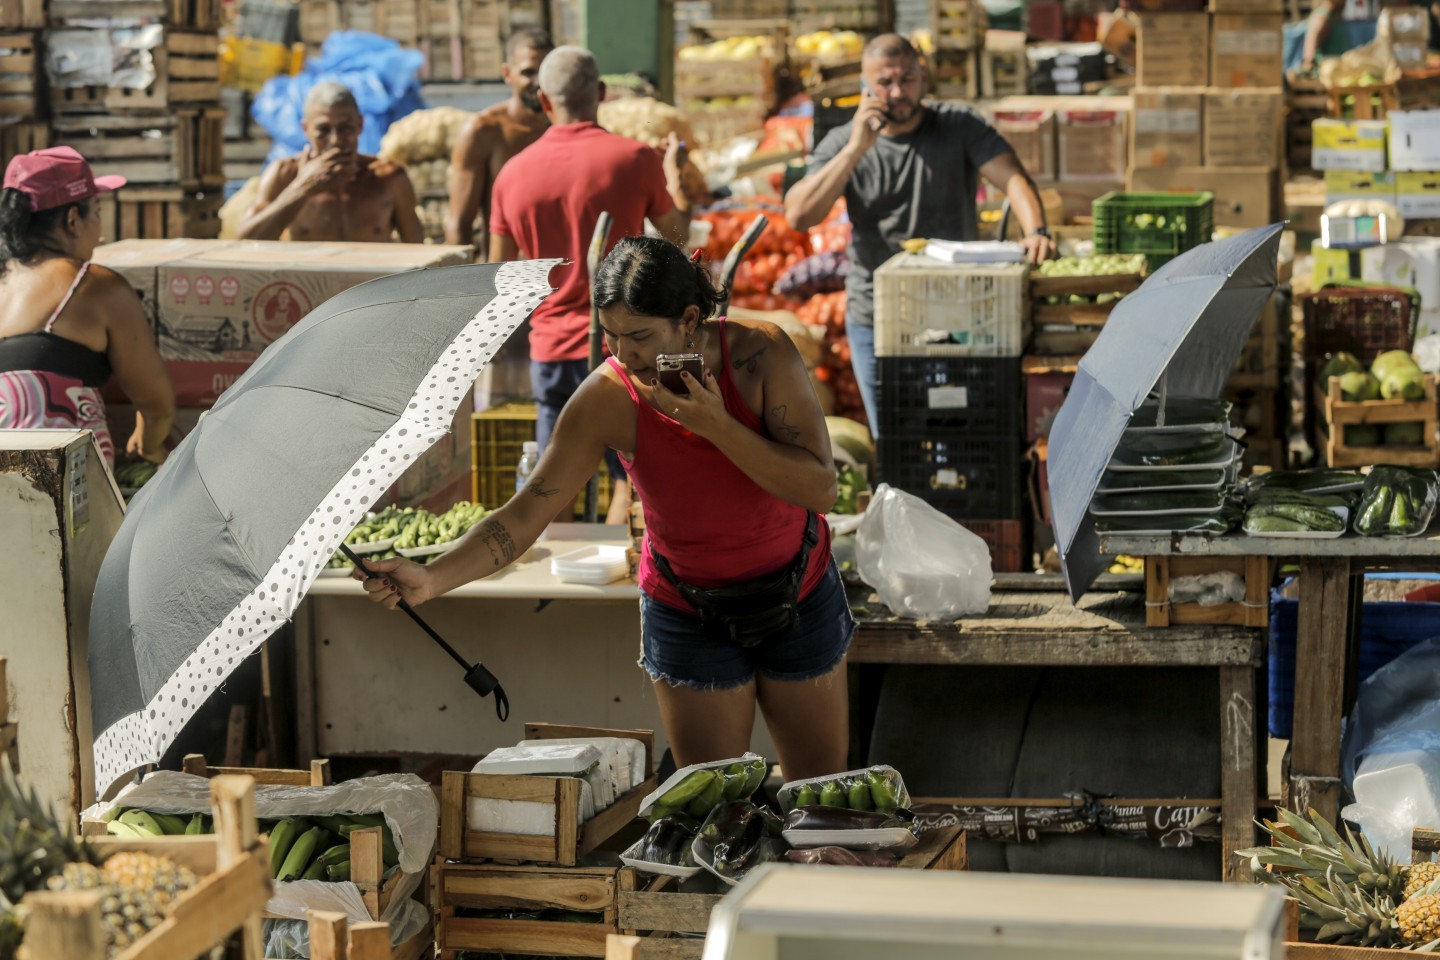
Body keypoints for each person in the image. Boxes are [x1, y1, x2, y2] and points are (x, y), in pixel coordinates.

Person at [358, 237, 852, 780]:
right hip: (689, 611)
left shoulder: (761, 354)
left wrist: (715, 425)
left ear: (690, 319)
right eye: (610, 334)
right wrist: (430, 579)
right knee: (715, 806)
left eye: (639, 335)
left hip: (799, 594)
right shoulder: (606, 398)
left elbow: (819, 490)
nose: (622, 353)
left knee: (819, 797)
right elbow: (525, 514)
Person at [785, 33, 1056, 432]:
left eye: (907, 79)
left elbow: (1013, 178)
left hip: (954, 309)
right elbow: (799, 215)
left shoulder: (958, 125)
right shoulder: (844, 142)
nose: (897, 92)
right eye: (885, 82)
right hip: (878, 314)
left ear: (922, 77)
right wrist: (857, 149)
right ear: (865, 84)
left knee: (957, 426)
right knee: (894, 435)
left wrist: (1037, 230)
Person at [488, 45, 691, 524]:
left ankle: (552, 594)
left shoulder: (512, 174)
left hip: (552, 347)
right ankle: (625, 584)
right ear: (601, 94)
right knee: (630, 476)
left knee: (549, 482)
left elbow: (499, 275)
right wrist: (675, 177)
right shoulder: (635, 159)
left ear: (543, 99)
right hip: (625, 347)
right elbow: (678, 238)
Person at [0, 147, 175, 466]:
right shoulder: (96, 286)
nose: (101, 228)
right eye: (96, 210)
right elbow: (157, 407)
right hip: (65, 493)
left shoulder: (5, 280)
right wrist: (147, 446)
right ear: (72, 220)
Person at [239, 82, 424, 244]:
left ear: (360, 125)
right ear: (306, 129)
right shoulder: (285, 174)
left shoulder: (389, 178)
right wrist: (302, 188)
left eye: (345, 128)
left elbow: (417, 252)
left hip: (372, 284)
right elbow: (244, 243)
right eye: (323, 130)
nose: (335, 140)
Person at [444, 28, 554, 250]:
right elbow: (459, 223)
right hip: (504, 274)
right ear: (507, 73)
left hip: (561, 273)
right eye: (528, 73)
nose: (538, 82)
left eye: (545, 73)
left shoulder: (566, 128)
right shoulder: (483, 132)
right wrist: (460, 281)